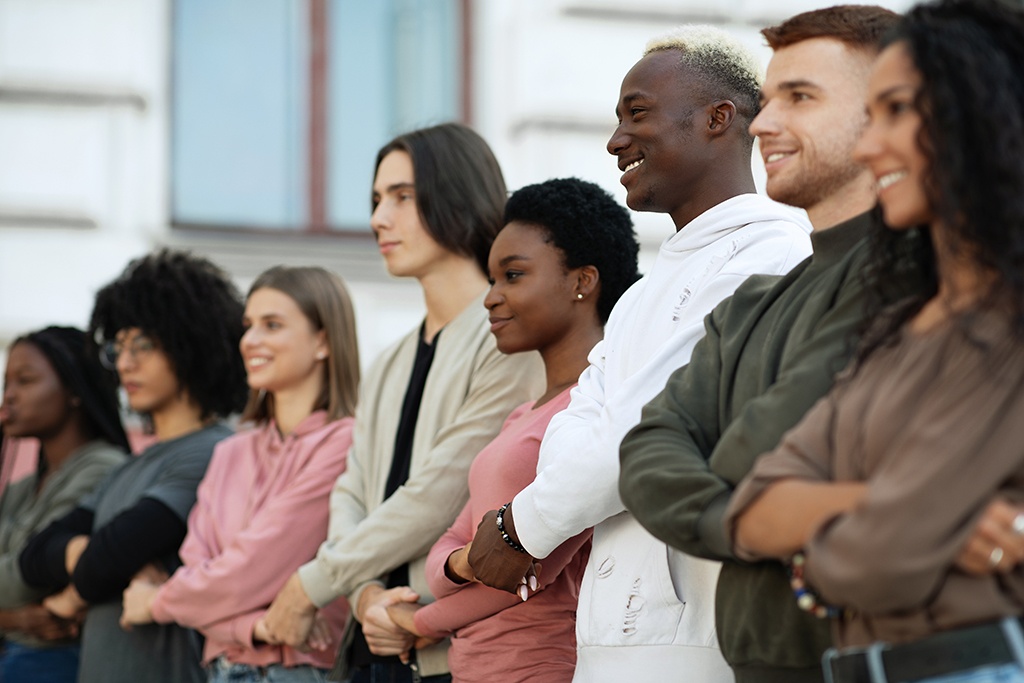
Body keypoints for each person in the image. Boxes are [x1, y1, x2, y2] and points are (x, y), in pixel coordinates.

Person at [467, 27, 812, 681]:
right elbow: (574, 439)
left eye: (637, 114)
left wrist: (523, 527)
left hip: (696, 644)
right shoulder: (641, 296)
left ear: (719, 119)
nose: (615, 140)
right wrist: (568, 489)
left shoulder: (774, 258)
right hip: (605, 642)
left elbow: (640, 436)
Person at [724, 2, 1024, 682]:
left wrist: (819, 545)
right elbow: (752, 509)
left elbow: (872, 563)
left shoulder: (1009, 325)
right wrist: (923, 513)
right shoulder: (897, 328)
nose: (868, 144)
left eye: (897, 111)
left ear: (980, 112)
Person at [616, 8, 904, 682]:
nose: (764, 123)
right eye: (768, 99)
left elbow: (762, 444)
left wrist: (715, 487)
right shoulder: (753, 304)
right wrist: (750, 520)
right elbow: (644, 450)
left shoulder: (918, 278)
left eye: (799, 97)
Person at [259, 123, 545, 683]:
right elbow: (353, 488)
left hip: (444, 647)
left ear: (456, 194)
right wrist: (363, 595)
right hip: (370, 639)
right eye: (375, 200)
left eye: (401, 197)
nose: (377, 219)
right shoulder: (389, 360)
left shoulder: (507, 344)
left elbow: (440, 493)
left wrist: (313, 583)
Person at [381, 178, 640, 682]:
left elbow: (530, 573)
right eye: (492, 279)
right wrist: (464, 564)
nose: (490, 298)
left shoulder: (597, 413)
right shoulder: (521, 416)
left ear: (581, 281)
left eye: (513, 276)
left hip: (543, 666)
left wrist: (417, 622)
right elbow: (452, 545)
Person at [119, 265, 360, 682]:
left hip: (299, 673)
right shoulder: (230, 451)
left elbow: (257, 563)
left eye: (272, 325)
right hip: (220, 671)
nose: (250, 341)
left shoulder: (346, 443)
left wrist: (155, 601)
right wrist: (259, 627)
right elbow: (198, 573)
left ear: (322, 339)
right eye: (248, 326)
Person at [19, 249, 248, 683]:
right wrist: (91, 557)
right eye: (117, 348)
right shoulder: (130, 468)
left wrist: (76, 588)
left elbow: (113, 553)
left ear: (190, 344)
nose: (125, 363)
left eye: (142, 345)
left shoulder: (216, 453)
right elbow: (36, 555)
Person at [0, 326, 128, 682]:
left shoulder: (104, 468)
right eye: (6, 383)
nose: (8, 396)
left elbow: (28, 579)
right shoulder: (24, 485)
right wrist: (16, 619)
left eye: (24, 381)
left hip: (51, 662)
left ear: (74, 389)